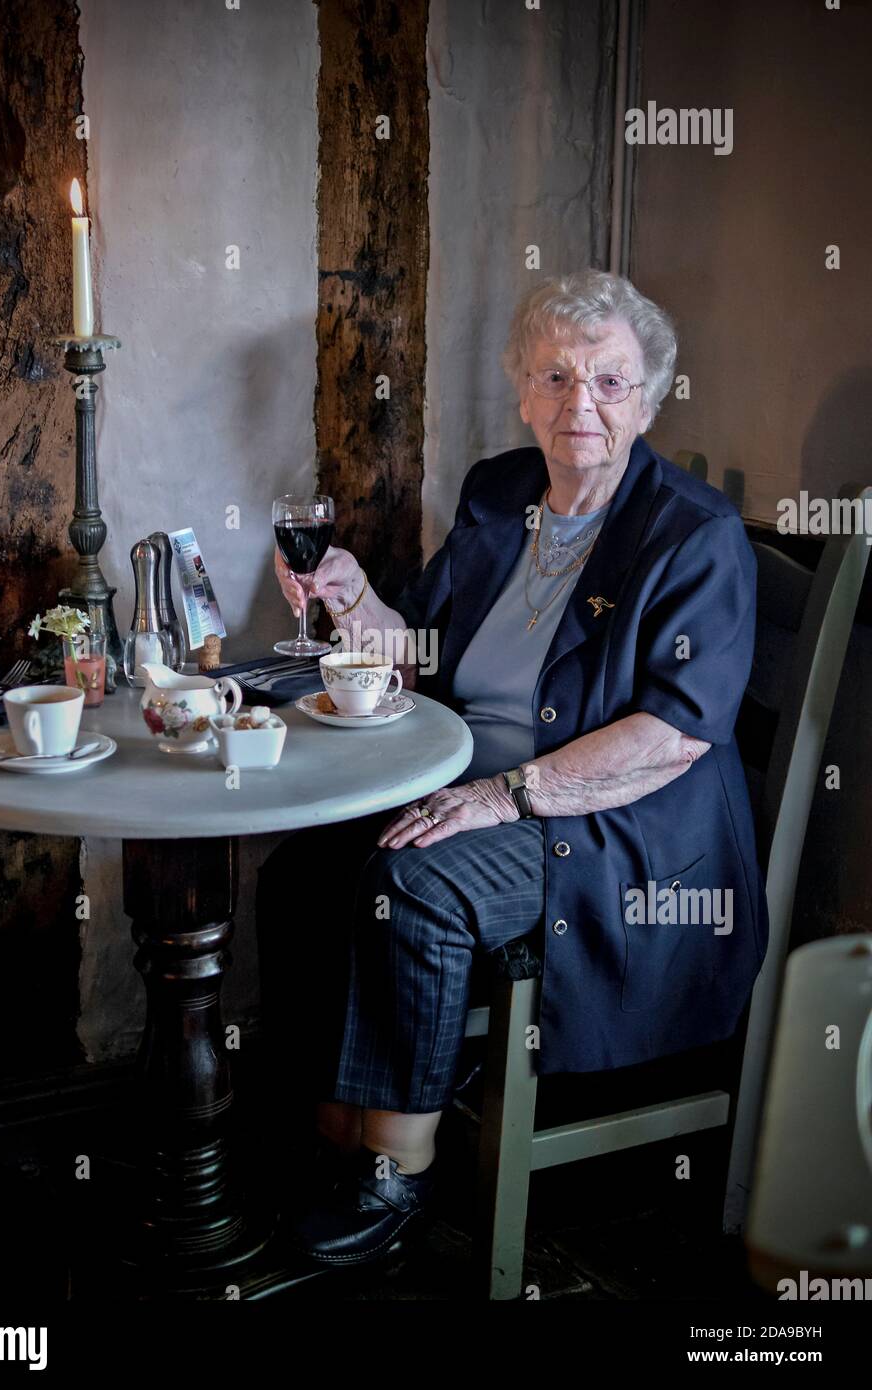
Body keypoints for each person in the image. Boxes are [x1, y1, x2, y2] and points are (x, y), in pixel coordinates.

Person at [256, 269, 767, 1267]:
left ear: (649, 401)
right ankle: (334, 1128)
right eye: (556, 377)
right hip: (472, 784)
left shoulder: (692, 535)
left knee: (411, 884)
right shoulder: (500, 492)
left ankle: (398, 1169)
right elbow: (421, 653)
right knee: (306, 868)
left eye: (610, 381)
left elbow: (674, 736)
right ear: (524, 393)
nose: (582, 404)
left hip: (611, 824)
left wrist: (504, 796)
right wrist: (351, 598)